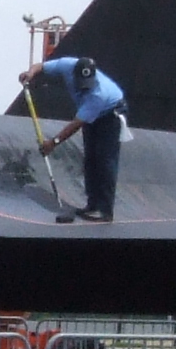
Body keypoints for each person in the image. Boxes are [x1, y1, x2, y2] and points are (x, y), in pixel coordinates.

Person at [18, 48, 128, 222]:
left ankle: (105, 211)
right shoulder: (67, 65)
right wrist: (30, 73)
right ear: (74, 74)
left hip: (109, 114)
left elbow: (77, 123)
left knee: (105, 160)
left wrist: (52, 143)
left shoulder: (98, 94)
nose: (84, 87)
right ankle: (92, 205)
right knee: (90, 159)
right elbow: (41, 67)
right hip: (94, 113)